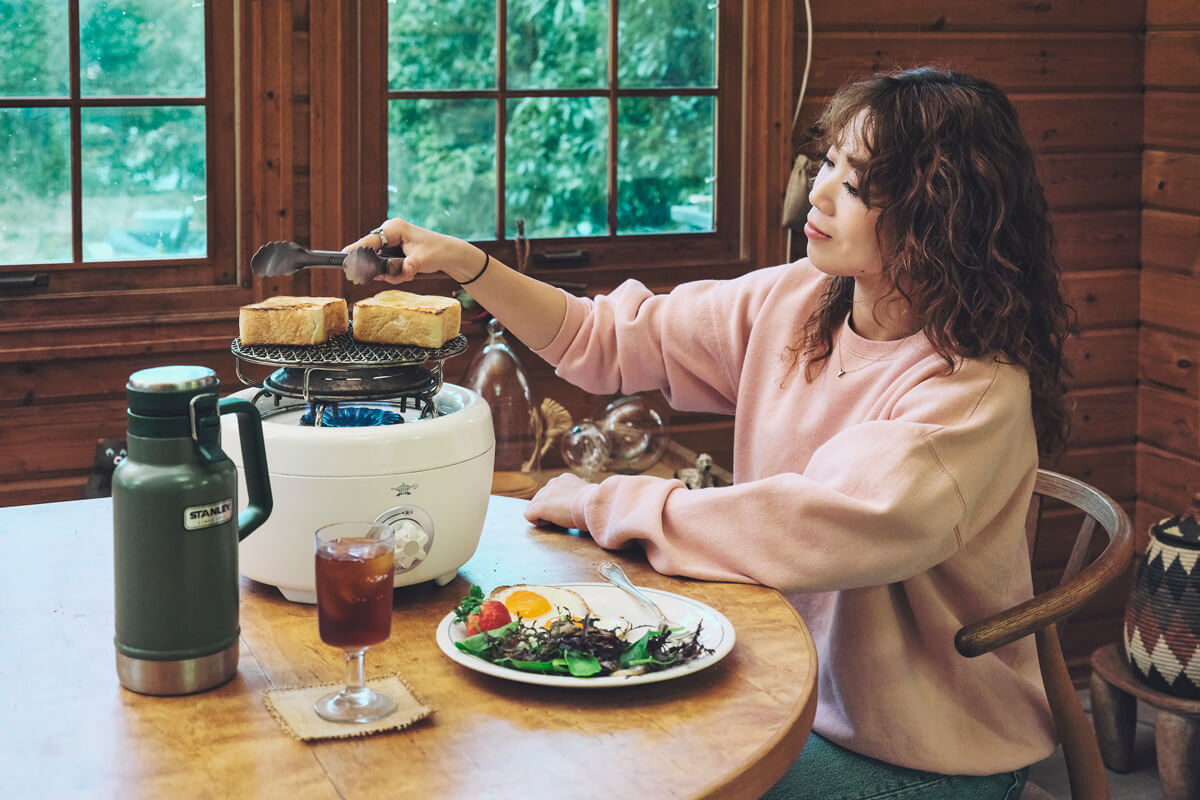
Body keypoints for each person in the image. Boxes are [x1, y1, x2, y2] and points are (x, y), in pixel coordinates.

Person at [344, 66, 1072, 800]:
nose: (817, 192)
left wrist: (608, 501)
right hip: (790, 687)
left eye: (855, 186)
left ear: (939, 216)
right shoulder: (802, 300)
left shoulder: (973, 390)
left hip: (919, 746)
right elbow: (604, 338)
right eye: (827, 164)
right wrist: (469, 265)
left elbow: (806, 522)